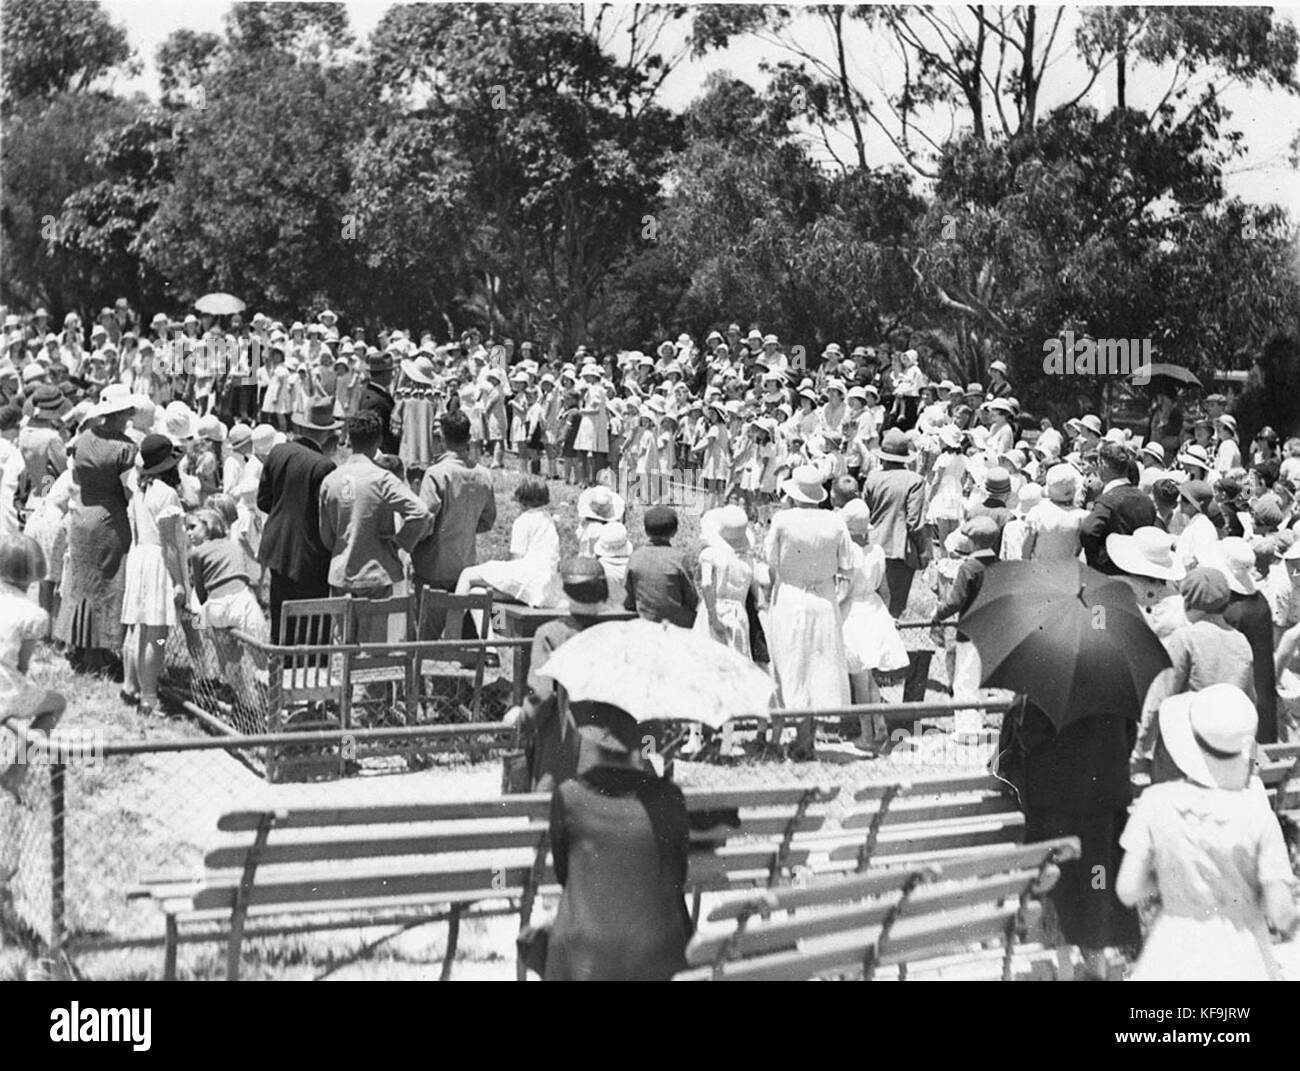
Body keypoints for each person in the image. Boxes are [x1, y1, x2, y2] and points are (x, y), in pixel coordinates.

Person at [1116, 685, 1298, 980]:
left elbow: (1128, 889)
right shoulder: (1257, 813)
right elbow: (1281, 912)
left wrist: (1172, 880)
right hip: (1243, 955)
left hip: (1172, 949)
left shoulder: (1156, 802)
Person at [545, 700, 692, 980]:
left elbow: (565, 876)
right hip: (660, 957)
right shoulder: (669, 798)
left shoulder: (568, 796)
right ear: (643, 741)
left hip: (585, 959)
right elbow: (678, 874)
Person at [318, 411, 433, 641]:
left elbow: (325, 534)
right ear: (379, 441)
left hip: (341, 571)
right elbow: (420, 512)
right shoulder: (382, 478)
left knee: (343, 642)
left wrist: (342, 546)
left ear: (349, 439)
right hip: (375, 572)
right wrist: (401, 543)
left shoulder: (331, 478)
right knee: (373, 645)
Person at [765, 465, 853, 761]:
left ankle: (798, 736)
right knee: (820, 665)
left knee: (792, 663)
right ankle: (806, 737)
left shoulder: (783, 519)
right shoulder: (835, 521)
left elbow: (770, 559)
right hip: (824, 598)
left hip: (790, 595)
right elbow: (847, 565)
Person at [1136, 567, 1257, 773]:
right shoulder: (1241, 641)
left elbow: (1160, 699)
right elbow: (1250, 700)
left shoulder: (1185, 639)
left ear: (1188, 601)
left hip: (1183, 752)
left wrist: (1141, 748)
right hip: (1223, 753)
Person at [54, 385, 138, 672]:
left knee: (81, 583)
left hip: (82, 515)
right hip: (109, 519)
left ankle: (78, 644)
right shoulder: (126, 448)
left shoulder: (83, 438)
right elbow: (130, 491)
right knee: (105, 583)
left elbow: (76, 475)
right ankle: (96, 653)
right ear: (123, 412)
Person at [514, 557, 613, 792]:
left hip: (563, 749)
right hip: (607, 751)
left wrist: (522, 719)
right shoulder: (615, 635)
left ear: (565, 591)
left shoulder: (550, 634)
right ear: (604, 592)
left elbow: (542, 695)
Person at [256, 396, 338, 642]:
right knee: (312, 623)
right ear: (326, 435)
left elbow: (263, 501)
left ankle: (280, 669)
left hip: (277, 547)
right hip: (311, 555)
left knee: (281, 617)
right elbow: (326, 517)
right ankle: (307, 671)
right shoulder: (324, 466)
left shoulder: (278, 452)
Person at [120, 434, 191, 715]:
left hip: (139, 557)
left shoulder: (140, 488)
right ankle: (149, 698)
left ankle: (130, 685)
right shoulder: (167, 493)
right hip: (157, 561)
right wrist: (179, 582)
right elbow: (170, 544)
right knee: (157, 634)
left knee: (138, 628)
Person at [410, 409, 497, 638]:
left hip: (432, 566)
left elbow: (423, 521)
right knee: (459, 631)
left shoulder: (436, 473)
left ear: (441, 440)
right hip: (465, 563)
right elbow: (488, 521)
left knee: (426, 637)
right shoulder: (483, 474)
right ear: (468, 439)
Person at [838, 498, 908, 752]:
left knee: (859, 678)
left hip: (853, 613)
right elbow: (886, 591)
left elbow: (842, 591)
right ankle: (879, 728)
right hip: (874, 609)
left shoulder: (848, 555)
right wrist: (884, 618)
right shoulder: (877, 551)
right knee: (867, 678)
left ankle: (867, 734)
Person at [0, 535, 66, 799]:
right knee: (57, 702)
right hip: (4, 689)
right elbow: (22, 664)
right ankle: (15, 773)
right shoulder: (32, 614)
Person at [456, 477, 561, 614]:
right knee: (479, 593)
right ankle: (490, 634)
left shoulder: (524, 520)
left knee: (467, 574)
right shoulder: (548, 519)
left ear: (522, 499)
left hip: (528, 578)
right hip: (544, 589)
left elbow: (516, 560)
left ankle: (453, 625)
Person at [1215, 537, 1278, 744]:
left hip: (1242, 692)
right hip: (1262, 691)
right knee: (1258, 743)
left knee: (1246, 746)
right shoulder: (1260, 601)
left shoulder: (1231, 610)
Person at [862, 428, 928, 617]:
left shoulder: (872, 479)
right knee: (893, 608)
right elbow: (914, 522)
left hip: (873, 546)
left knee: (871, 605)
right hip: (899, 549)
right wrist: (923, 550)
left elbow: (864, 513)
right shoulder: (915, 481)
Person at [1078, 441, 1156, 574]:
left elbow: (1088, 531)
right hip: (1138, 573)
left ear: (1103, 466)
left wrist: (1097, 552)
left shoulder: (1107, 500)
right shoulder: (1147, 500)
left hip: (1107, 575)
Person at [623, 505, 697, 629]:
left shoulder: (635, 557)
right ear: (674, 532)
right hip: (676, 626)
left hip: (645, 624)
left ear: (646, 531)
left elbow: (629, 598)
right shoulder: (680, 558)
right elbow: (692, 600)